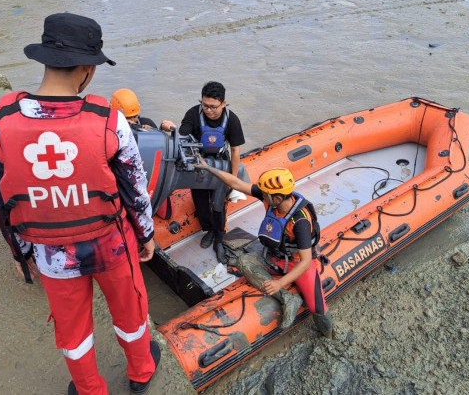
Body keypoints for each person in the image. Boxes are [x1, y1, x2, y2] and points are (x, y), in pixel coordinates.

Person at [0, 13, 160, 395]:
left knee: (72, 329)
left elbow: (3, 201)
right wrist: (146, 235)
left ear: (46, 59)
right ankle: (141, 373)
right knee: (130, 312)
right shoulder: (109, 120)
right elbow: (135, 189)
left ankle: (89, 388)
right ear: (86, 69)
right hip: (111, 244)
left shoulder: (1, 119)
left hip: (52, 253)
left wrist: (19, 252)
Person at [195, 160, 334, 338]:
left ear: (277, 198)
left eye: (266, 194)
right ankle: (287, 298)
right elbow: (236, 183)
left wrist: (279, 283)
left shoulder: (300, 222)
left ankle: (328, 335)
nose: (262, 195)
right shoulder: (273, 199)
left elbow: (306, 261)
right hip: (275, 257)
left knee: (318, 307)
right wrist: (208, 168)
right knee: (243, 262)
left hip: (297, 263)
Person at [178, 81, 245, 264]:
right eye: (205, 105)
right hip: (199, 165)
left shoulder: (232, 119)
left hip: (220, 166)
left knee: (218, 205)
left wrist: (232, 179)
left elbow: (235, 150)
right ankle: (208, 230)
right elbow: (182, 138)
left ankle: (219, 238)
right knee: (200, 203)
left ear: (223, 103)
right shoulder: (193, 114)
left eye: (213, 107)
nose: (208, 110)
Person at [110, 88, 176, 132]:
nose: (132, 122)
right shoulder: (108, 130)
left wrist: (156, 131)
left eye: (134, 117)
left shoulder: (146, 123)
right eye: (128, 118)